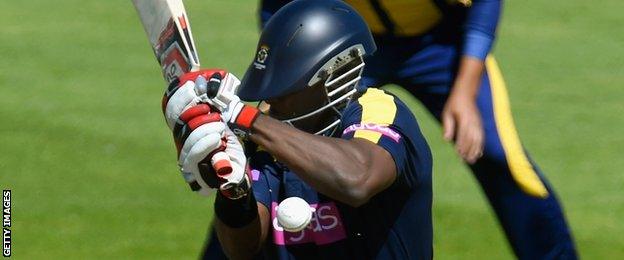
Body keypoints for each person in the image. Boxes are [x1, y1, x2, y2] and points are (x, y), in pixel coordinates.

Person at [245, 0, 578, 259]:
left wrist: (464, 91)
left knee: (500, 157)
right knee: (267, 158)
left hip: (439, 43)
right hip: (350, 48)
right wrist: (281, 92)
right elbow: (279, 8)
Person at [162, 0, 434, 259]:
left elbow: (357, 180)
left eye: (284, 87)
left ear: (328, 76)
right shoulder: (267, 138)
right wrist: (234, 190)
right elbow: (241, 248)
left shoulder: (379, 110)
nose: (270, 100)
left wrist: (243, 117)